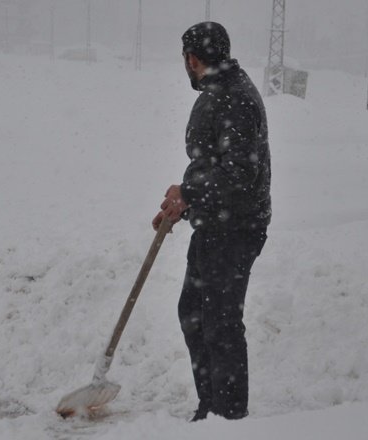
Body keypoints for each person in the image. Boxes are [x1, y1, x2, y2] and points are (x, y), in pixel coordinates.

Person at [152, 21, 271, 421]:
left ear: (193, 59)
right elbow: (211, 164)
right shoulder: (219, 90)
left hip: (235, 228)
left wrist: (191, 195)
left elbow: (240, 173)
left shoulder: (234, 98)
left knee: (219, 323)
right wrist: (183, 194)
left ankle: (228, 417)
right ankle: (212, 406)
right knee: (195, 314)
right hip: (216, 223)